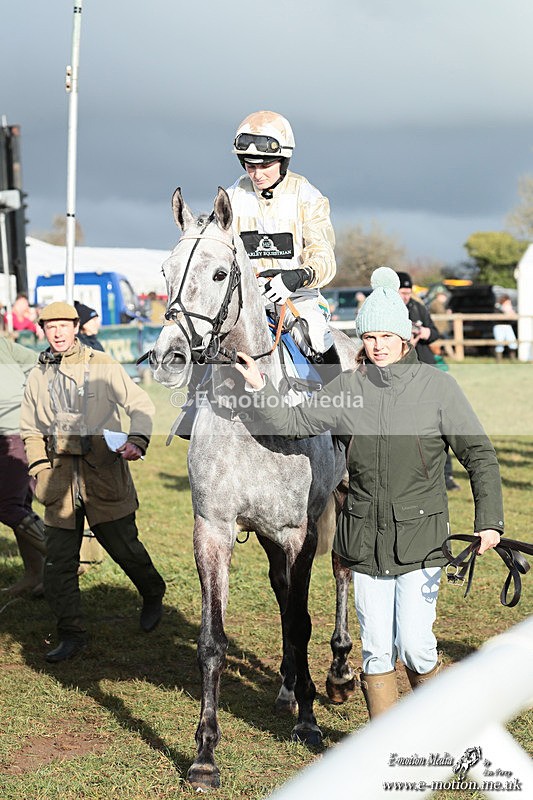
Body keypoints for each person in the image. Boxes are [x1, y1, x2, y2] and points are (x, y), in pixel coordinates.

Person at [234, 267, 503, 720]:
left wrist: (489, 520)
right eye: (369, 336)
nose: (377, 345)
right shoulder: (349, 387)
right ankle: (388, 748)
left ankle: (437, 728)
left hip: (422, 539)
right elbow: (294, 424)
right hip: (363, 540)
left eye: (386, 336)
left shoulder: (438, 388)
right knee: (377, 652)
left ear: (405, 338)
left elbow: (479, 454)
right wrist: (261, 389)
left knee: (417, 648)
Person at [20, 302, 166, 663]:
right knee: (58, 563)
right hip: (59, 484)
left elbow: (140, 405)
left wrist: (138, 440)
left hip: (103, 476)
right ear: (43, 330)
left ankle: (152, 590)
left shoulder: (102, 365)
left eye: (63, 325)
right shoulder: (37, 376)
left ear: (75, 327)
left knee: (125, 550)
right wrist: (40, 471)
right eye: (50, 326)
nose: (57, 333)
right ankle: (71, 633)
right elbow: (30, 430)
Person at [227, 110, 337, 363]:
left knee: (316, 336)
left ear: (283, 159)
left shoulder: (307, 196)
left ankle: (337, 397)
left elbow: (325, 258)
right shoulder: (233, 197)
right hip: (246, 301)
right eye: (250, 165)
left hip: (296, 298)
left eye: (265, 165)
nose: (257, 174)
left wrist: (296, 277)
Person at [397, 272, 459, 490]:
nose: (406, 297)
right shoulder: (390, 309)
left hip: (427, 368)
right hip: (405, 373)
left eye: (407, 293)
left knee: (439, 423)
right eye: (402, 292)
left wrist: (424, 332)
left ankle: (446, 475)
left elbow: (434, 333)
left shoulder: (418, 307)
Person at [0, 336, 46, 596]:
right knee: (18, 505)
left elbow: (38, 364)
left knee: (9, 506)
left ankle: (64, 560)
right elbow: (35, 361)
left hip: (14, 433)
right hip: (11, 432)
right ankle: (34, 573)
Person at [493, 294, 518, 362]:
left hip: (507, 326)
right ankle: (499, 360)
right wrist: (504, 311)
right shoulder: (498, 307)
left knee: (512, 342)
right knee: (499, 343)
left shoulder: (508, 308)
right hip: (499, 326)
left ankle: (513, 359)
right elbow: (497, 316)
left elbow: (512, 317)